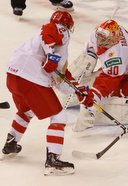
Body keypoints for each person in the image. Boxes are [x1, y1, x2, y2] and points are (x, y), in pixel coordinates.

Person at [2, 10, 79, 176]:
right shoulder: (59, 29)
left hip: (13, 76)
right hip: (31, 79)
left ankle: (11, 143)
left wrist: (78, 90)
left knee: (26, 111)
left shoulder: (43, 41)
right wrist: (51, 55)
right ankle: (53, 160)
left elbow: (59, 75)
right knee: (59, 117)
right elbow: (49, 31)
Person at [69, 19, 128, 131]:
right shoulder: (102, 34)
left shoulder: (117, 54)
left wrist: (93, 97)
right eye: (100, 37)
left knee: (112, 96)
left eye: (105, 40)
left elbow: (108, 81)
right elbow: (92, 44)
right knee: (93, 83)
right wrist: (90, 55)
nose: (101, 41)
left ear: (115, 39)